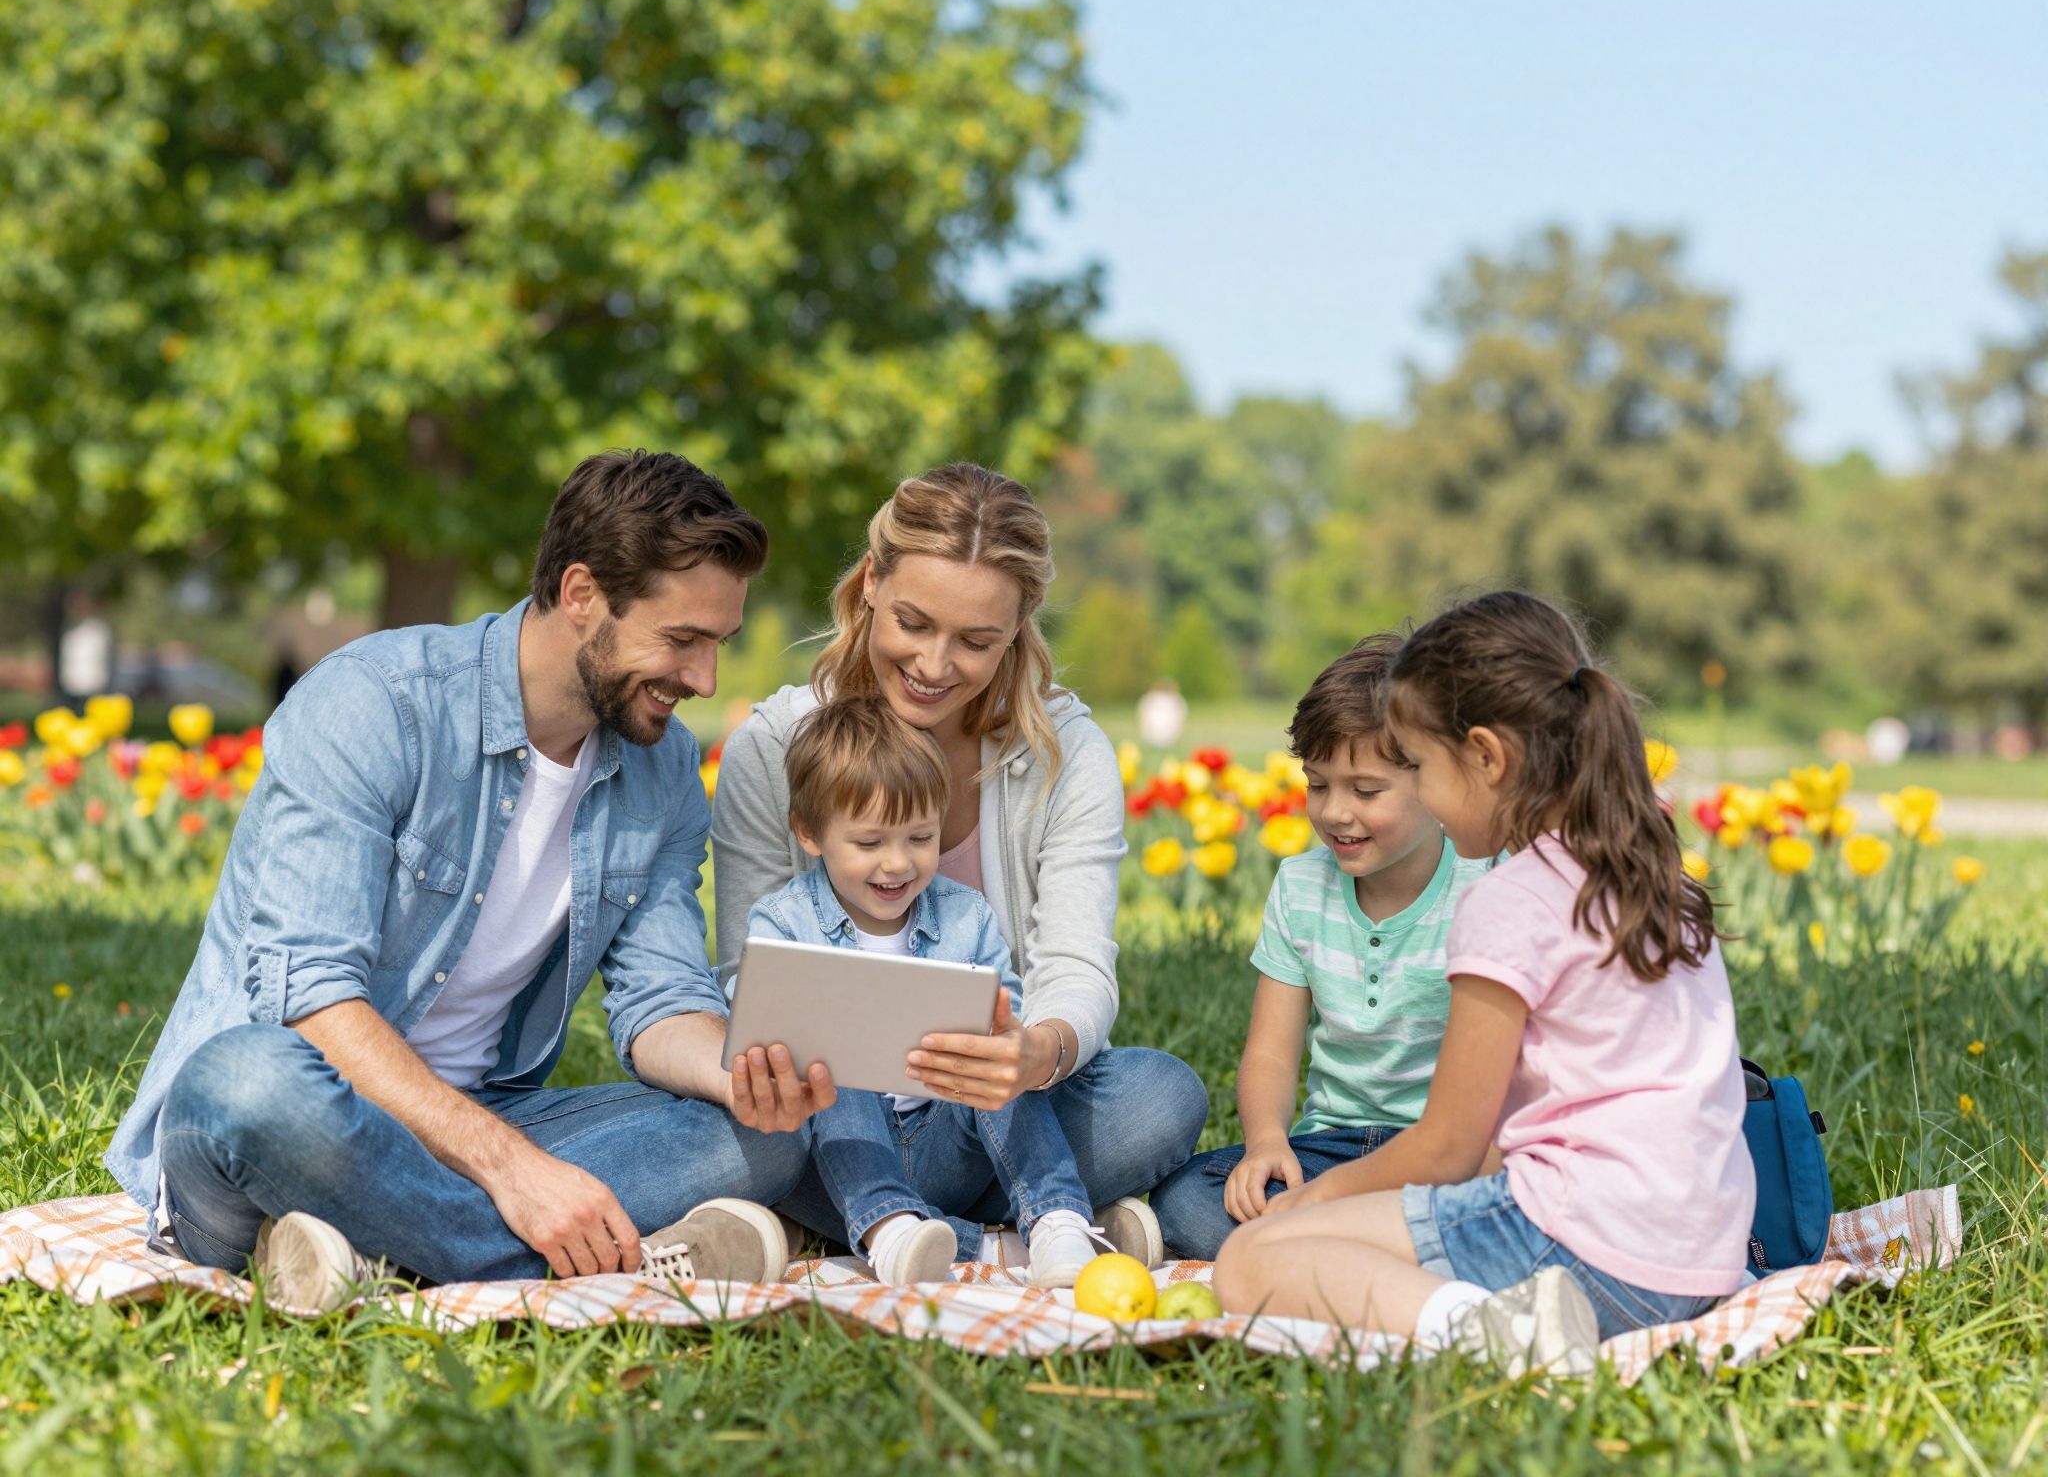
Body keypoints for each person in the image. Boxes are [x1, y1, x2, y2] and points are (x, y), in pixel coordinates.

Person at [106, 451, 834, 1313]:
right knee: (249, 1083)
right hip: (309, 1109)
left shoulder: (662, 766)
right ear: (580, 595)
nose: (705, 680)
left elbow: (659, 1003)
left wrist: (742, 1074)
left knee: (767, 1142)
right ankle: (577, 1251)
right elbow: (311, 998)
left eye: (719, 643)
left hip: (481, 1116)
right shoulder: (371, 703)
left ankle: (375, 1255)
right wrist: (518, 1174)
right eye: (682, 640)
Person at [1212, 591, 1755, 1377]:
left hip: (1588, 1248)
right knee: (1313, 1230)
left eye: (1420, 769)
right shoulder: (1646, 869)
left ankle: (1493, 1331)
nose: (1423, 794)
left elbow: (1448, 1146)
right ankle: (1503, 1312)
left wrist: (1319, 1202)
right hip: (1700, 1257)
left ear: (1486, 757)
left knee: (1250, 1260)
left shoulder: (1507, 898)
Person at [711, 463, 1207, 1266]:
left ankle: (859, 1231)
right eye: (914, 621)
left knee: (1162, 1096)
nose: (935, 665)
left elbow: (1076, 972)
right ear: (871, 581)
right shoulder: (777, 747)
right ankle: (1001, 1236)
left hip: (989, 1114)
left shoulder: (1065, 754)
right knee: (720, 1131)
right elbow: (749, 975)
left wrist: (1032, 1053)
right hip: (828, 1114)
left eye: (977, 641)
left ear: (1019, 630)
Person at [741, 696, 1111, 1286]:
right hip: (841, 1146)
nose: (898, 864)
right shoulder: (782, 923)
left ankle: (1057, 1221)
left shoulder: (967, 917)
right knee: (826, 1061)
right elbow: (756, 1023)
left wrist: (1004, 1046)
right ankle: (901, 1234)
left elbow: (1007, 1022)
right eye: (869, 843)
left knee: (999, 1059)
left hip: (949, 1133)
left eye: (921, 837)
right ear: (808, 833)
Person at [1150, 634, 1491, 1260]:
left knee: (1505, 1201)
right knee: (1184, 1199)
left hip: (1448, 1154)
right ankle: (1381, 1247)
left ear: (1437, 779)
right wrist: (1265, 1145)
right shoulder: (1301, 886)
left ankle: (1325, 1247)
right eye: (1317, 784)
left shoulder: (1486, 887)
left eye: (1366, 791)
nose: (1335, 812)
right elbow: (1272, 1055)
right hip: (1332, 1150)